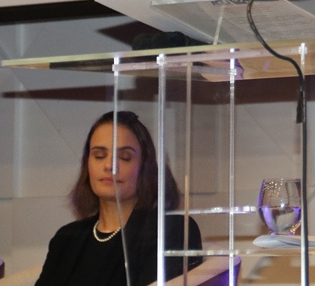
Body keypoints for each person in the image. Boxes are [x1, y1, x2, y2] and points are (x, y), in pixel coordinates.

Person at [35, 110, 203, 286]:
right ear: (87, 165)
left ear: (146, 168)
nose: (109, 165)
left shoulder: (170, 230)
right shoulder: (66, 238)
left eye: (125, 157)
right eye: (99, 156)